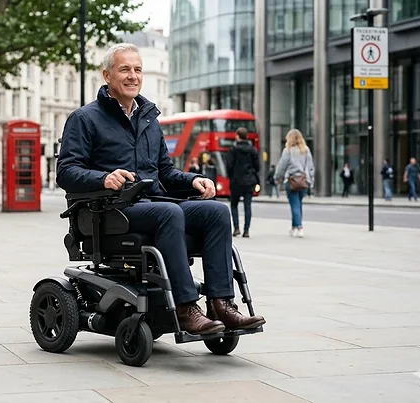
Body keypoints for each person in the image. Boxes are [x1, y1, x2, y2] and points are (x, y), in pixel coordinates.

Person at [57, 43, 265, 335]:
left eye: (137, 69)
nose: (133, 76)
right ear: (106, 75)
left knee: (216, 212)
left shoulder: (149, 120)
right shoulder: (85, 118)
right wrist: (104, 178)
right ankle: (185, 307)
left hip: (153, 202)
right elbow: (66, 172)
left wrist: (193, 180)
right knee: (170, 214)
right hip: (112, 210)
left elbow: (164, 172)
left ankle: (221, 304)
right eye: (125, 69)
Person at [274, 129, 315, 238]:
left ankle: (299, 227)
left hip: (292, 180)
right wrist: (311, 180)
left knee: (294, 205)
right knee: (298, 204)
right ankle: (294, 227)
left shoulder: (288, 151)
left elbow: (282, 166)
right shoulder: (306, 150)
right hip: (303, 181)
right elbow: (311, 166)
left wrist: (277, 177)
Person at [226, 127, 259, 238]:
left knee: (234, 204)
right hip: (249, 181)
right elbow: (257, 166)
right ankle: (246, 230)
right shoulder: (252, 150)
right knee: (247, 206)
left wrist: (231, 176)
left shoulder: (233, 149)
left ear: (237, 136)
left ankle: (236, 228)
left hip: (236, 181)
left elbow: (229, 166)